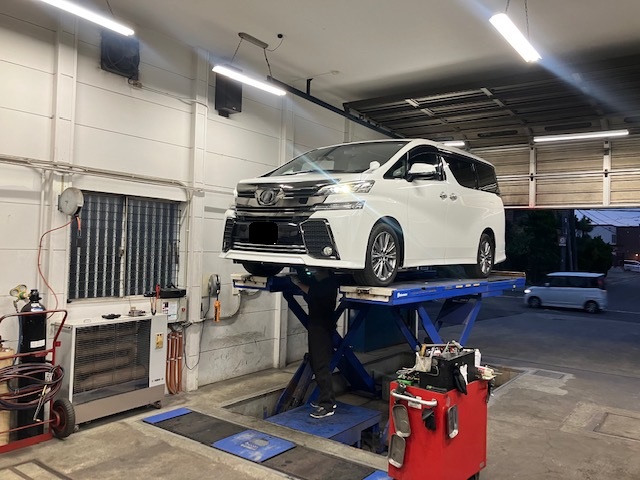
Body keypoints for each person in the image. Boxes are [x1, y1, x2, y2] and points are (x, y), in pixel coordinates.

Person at [291, 267, 339, 418]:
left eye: (317, 271)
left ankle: (328, 404)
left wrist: (298, 283)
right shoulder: (324, 282)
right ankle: (326, 399)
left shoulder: (328, 285)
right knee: (315, 361)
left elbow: (312, 291)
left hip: (321, 329)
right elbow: (311, 288)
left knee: (320, 365)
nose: (315, 273)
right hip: (317, 327)